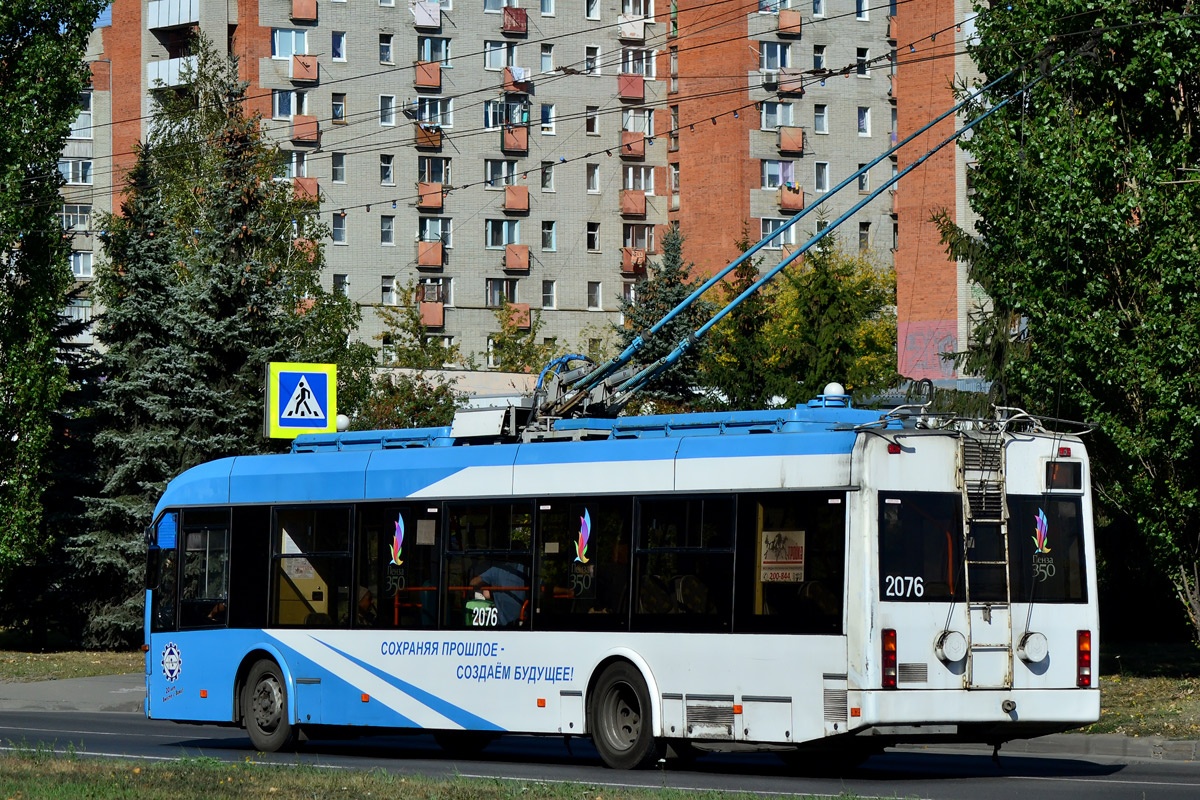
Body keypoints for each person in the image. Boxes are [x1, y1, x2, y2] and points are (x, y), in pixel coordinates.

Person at [470, 561, 527, 628]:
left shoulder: (497, 569)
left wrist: (487, 589)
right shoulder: (526, 569)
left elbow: (473, 583)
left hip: (502, 625)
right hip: (523, 622)